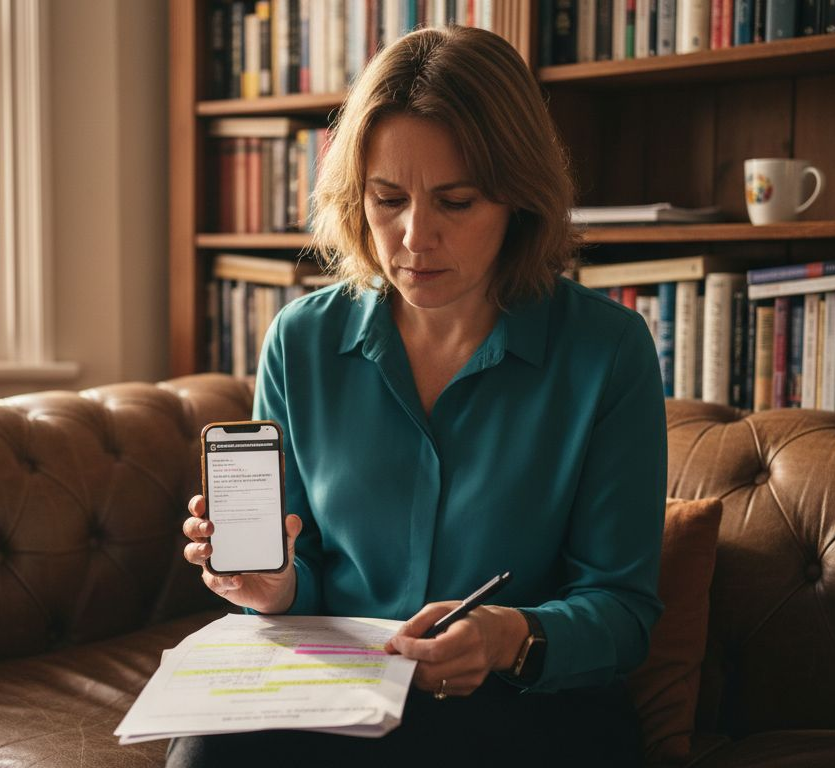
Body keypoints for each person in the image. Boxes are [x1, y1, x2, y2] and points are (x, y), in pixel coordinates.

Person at [171, 24, 666, 768]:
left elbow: (623, 612)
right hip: (337, 688)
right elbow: (306, 577)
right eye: (387, 198)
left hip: (523, 704)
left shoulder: (608, 352)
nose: (413, 237)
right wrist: (273, 587)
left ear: (517, 200)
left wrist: (507, 636)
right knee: (207, 751)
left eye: (456, 202)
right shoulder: (300, 341)